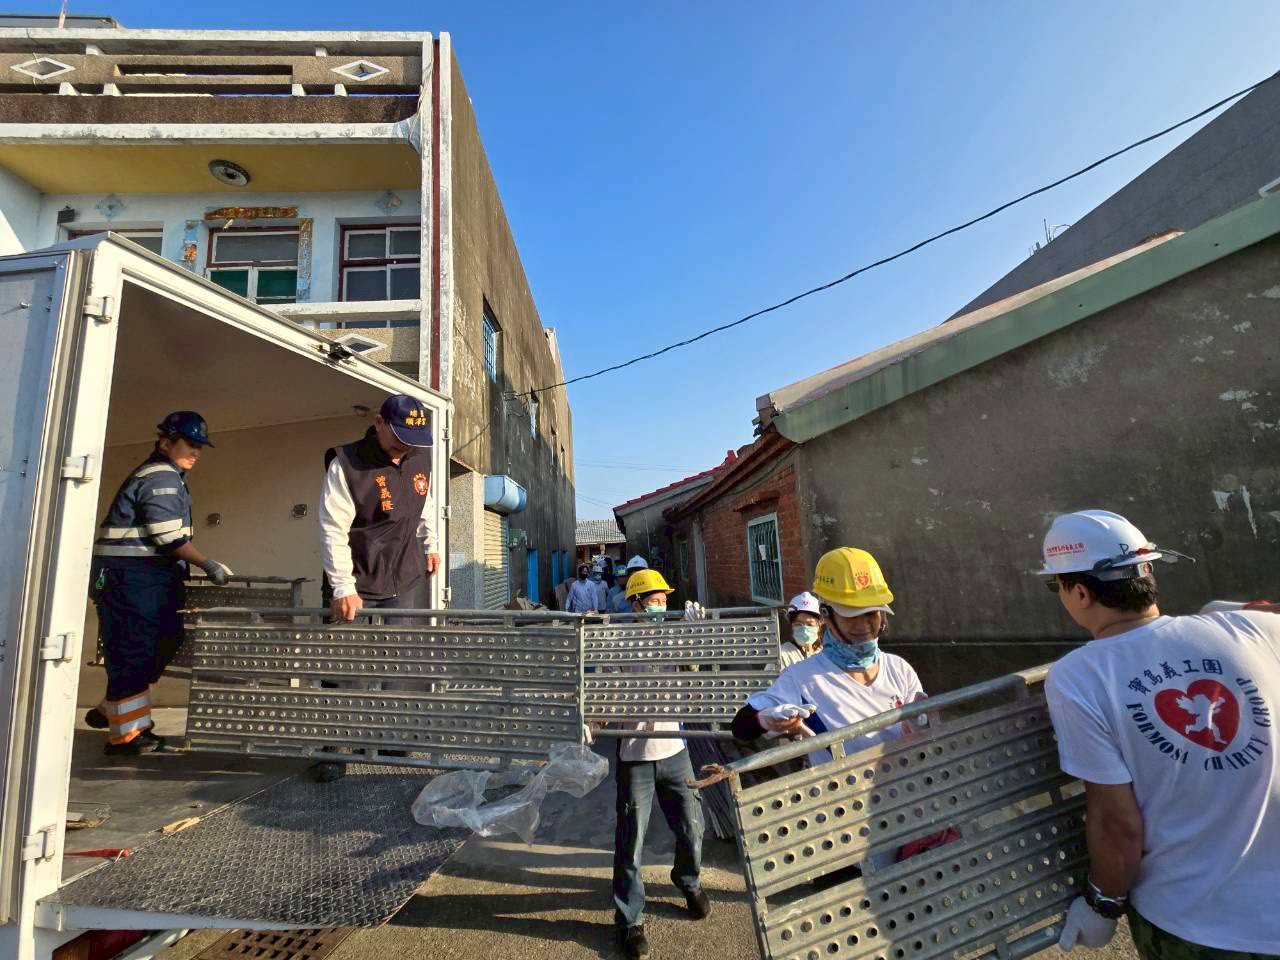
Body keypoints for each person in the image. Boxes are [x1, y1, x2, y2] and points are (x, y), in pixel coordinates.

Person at [1035, 510, 1280, 958]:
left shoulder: (1080, 676)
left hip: (1199, 928)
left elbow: (1118, 824)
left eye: (1058, 587)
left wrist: (1103, 904)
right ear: (1147, 572)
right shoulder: (1253, 629)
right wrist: (1242, 613)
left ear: (1081, 593)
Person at [88, 411, 232, 756]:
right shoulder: (161, 477)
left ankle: (112, 710)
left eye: (200, 446)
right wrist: (207, 563)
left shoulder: (167, 474)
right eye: (189, 444)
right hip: (133, 579)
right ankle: (127, 738)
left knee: (160, 643)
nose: (195, 452)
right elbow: (168, 537)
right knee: (135, 652)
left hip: (141, 578)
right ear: (165, 443)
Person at [314, 394, 439, 781]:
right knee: (343, 666)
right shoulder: (347, 463)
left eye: (413, 440)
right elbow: (332, 528)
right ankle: (332, 748)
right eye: (399, 437)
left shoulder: (420, 455)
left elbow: (425, 504)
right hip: (358, 576)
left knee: (398, 660)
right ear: (379, 423)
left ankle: (389, 737)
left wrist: (430, 544)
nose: (405, 447)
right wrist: (341, 586)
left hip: (402, 573)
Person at [731, 548, 925, 766]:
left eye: (871, 613)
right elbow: (741, 727)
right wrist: (764, 720)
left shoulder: (900, 669)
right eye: (851, 614)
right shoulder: (802, 679)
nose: (863, 625)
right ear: (827, 615)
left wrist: (923, 727)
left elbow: (925, 735)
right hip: (843, 786)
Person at [610, 568, 709, 959]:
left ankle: (688, 881)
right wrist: (592, 720)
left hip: (675, 752)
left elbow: (696, 677)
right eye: (654, 600)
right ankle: (630, 920)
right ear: (635, 605)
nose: (660, 606)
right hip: (635, 757)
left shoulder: (674, 638)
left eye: (664, 600)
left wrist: (696, 639)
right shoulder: (617, 644)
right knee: (631, 841)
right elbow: (602, 693)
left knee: (692, 827)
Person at [780, 591, 824, 668]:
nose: (804, 630)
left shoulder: (824, 652)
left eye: (810, 624)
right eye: (798, 624)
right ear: (791, 625)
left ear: (819, 625)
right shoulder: (782, 655)